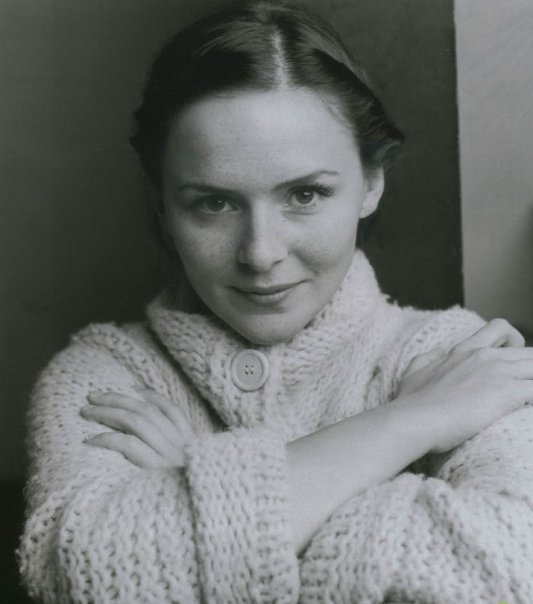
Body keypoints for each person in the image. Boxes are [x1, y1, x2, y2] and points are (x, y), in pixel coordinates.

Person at [17, 1, 533, 602]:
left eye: (305, 194)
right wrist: (410, 421)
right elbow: (86, 580)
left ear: (371, 183)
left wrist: (190, 487)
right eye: (214, 203)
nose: (260, 253)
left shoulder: (459, 357)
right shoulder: (104, 377)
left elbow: (507, 570)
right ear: (163, 206)